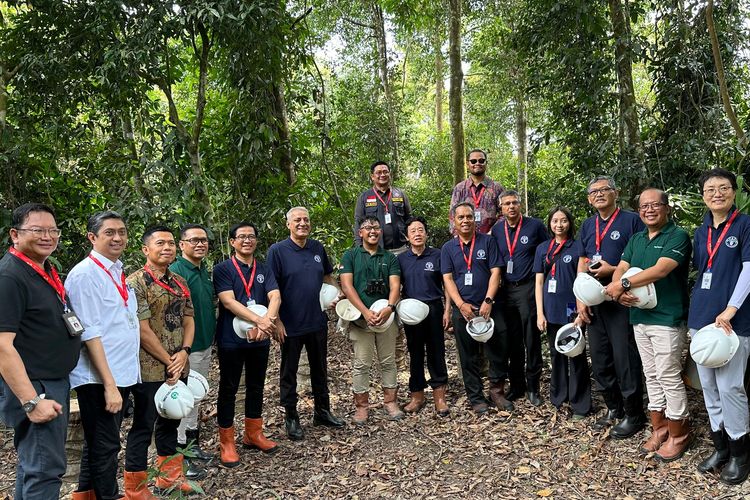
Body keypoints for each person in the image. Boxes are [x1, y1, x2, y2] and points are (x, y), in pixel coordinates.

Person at [0, 203, 81, 499]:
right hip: (35, 385)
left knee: (33, 467)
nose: (47, 236)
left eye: (52, 230)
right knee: (45, 470)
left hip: (51, 381)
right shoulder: (10, 276)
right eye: (37, 230)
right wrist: (31, 401)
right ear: (15, 235)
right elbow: (1, 346)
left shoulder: (43, 269)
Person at [605, 189, 692, 461]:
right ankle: (660, 428)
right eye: (644, 206)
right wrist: (618, 288)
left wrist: (624, 284)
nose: (649, 210)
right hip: (639, 317)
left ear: (666, 208)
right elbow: (621, 266)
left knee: (668, 374)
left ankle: (680, 433)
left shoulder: (677, 236)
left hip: (666, 317)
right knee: (651, 374)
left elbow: (662, 269)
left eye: (655, 205)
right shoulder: (637, 238)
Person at [67, 211, 140, 499]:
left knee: (98, 443)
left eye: (121, 231)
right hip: (98, 378)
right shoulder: (85, 275)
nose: (118, 237)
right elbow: (90, 333)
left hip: (120, 372)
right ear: (92, 237)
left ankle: (85, 494)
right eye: (109, 232)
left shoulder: (116, 270)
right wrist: (109, 385)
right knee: (106, 446)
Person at [124, 225, 198, 497]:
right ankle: (136, 489)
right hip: (149, 368)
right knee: (144, 425)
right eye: (160, 243)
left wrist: (184, 352)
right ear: (146, 249)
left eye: (170, 244)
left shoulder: (180, 281)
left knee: (172, 419)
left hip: (180, 363)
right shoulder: (135, 282)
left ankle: (170, 478)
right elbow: (142, 330)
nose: (167, 248)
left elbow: (189, 318)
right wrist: (169, 360)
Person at [688, 169, 750, 484]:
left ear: (733, 192)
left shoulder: (746, 224)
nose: (717, 193)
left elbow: (749, 269)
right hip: (701, 318)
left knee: (730, 387)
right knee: (709, 387)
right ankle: (720, 447)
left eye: (723, 187)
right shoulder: (701, 233)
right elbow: (704, 272)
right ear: (703, 196)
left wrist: (731, 308)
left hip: (733, 321)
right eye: (710, 189)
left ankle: (741, 454)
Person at [577, 175, 646, 438]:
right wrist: (580, 298)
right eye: (594, 191)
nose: (599, 194)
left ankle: (633, 413)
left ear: (616, 193)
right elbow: (582, 261)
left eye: (605, 189)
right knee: (601, 357)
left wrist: (613, 270)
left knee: (624, 358)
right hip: (595, 299)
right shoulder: (587, 225)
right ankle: (613, 408)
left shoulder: (631, 221)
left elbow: (641, 259)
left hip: (620, 298)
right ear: (589, 198)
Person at [267, 207, 344, 441]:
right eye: (297, 220)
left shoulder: (317, 248)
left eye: (306, 220)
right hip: (290, 323)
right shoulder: (277, 251)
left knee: (320, 367)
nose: (302, 223)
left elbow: (327, 276)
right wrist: (276, 320)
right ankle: (291, 416)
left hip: (317, 320)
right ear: (288, 224)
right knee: (289, 371)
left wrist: (336, 295)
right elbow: (271, 288)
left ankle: (322, 411)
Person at [213, 222, 282, 466]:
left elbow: (275, 295)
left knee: (256, 385)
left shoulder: (264, 268)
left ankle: (253, 433)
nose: (247, 240)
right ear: (232, 242)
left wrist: (267, 322)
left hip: (259, 337)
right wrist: (261, 321)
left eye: (251, 236)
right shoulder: (222, 269)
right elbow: (229, 302)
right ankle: (227, 442)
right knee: (229, 387)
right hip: (232, 339)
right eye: (241, 237)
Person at [442, 202, 513, 414]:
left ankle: (497, 391)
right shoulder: (448, 248)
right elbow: (447, 279)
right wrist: (460, 305)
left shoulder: (488, 242)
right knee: (468, 355)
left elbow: (496, 272)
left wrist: (488, 301)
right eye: (461, 217)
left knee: (498, 348)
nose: (465, 221)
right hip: (463, 309)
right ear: (454, 221)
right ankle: (475, 397)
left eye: (469, 217)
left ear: (475, 220)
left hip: (490, 306)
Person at [340, 216, 403, 424]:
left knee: (388, 361)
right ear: (360, 232)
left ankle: (390, 402)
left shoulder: (390, 258)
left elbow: (395, 286)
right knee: (362, 363)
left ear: (381, 231)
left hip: (386, 317)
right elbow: (347, 286)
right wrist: (365, 312)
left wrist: (389, 308)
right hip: (360, 319)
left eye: (376, 227)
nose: (372, 231)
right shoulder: (351, 255)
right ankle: (361, 406)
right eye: (367, 228)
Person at [491, 190, 548, 406]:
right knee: (512, 341)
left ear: (520, 205)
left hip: (528, 288)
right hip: (506, 291)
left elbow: (546, 251)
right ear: (501, 208)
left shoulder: (535, 226)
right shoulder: (497, 230)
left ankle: (533, 388)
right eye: (506, 204)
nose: (511, 207)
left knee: (531, 339)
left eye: (514, 202)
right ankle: (517, 386)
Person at [534, 206, 592, 420]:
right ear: (549, 223)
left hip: (572, 308)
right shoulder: (542, 248)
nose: (559, 225)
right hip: (550, 308)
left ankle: (581, 405)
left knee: (575, 354)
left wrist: (581, 308)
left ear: (570, 223)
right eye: (555, 221)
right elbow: (539, 282)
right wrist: (540, 313)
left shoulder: (578, 246)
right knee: (556, 353)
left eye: (563, 220)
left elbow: (583, 280)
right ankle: (559, 397)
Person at [170, 223, 216, 477]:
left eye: (204, 240)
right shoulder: (176, 271)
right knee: (182, 400)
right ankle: (179, 456)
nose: (200, 244)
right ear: (182, 245)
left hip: (204, 343)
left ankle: (191, 444)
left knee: (195, 397)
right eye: (194, 240)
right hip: (185, 349)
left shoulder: (203, 271)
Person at [398, 217, 450, 416]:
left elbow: (447, 285)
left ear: (426, 234)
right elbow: (396, 287)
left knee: (437, 351)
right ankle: (417, 395)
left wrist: (447, 310)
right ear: (407, 236)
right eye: (413, 231)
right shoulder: (401, 259)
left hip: (434, 308)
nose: (417, 234)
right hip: (411, 311)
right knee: (415, 352)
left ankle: (439, 396)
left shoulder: (438, 255)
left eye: (421, 230)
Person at [353, 161, 412, 254]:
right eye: (379, 172)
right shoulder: (364, 197)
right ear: (372, 176)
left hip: (401, 248)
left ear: (390, 174)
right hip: (375, 250)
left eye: (385, 172)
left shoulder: (400, 194)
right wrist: (359, 247)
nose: (383, 175)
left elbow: (409, 219)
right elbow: (358, 222)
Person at [449, 149, 505, 235]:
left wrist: (492, 232)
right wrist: (458, 236)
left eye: (481, 161)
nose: (477, 163)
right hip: (465, 240)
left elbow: (504, 214)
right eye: (473, 161)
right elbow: (452, 215)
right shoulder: (460, 188)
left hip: (491, 239)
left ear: (486, 163)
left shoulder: (497, 188)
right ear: (468, 164)